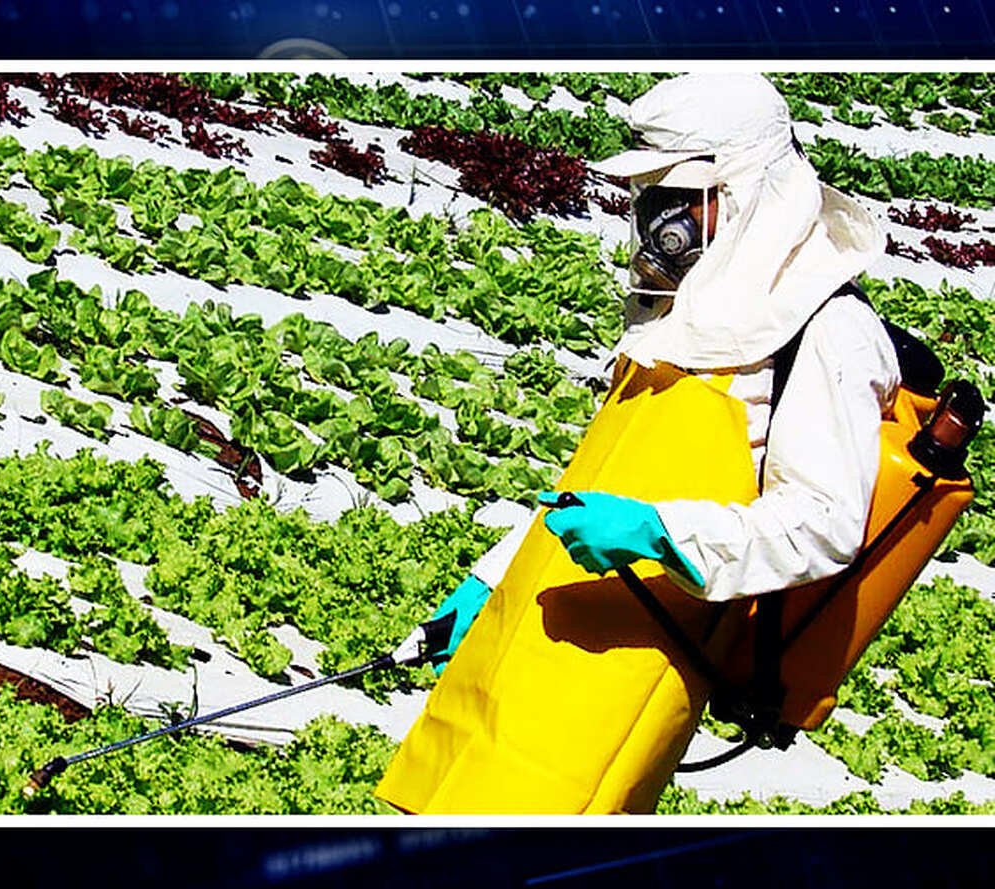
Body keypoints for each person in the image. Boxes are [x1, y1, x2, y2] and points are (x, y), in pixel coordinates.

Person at [375, 72, 901, 814]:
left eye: (678, 196)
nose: (658, 219)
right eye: (649, 195)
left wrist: (662, 534)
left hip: (629, 669)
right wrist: (493, 585)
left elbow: (822, 523)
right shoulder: (685, 311)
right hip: (528, 633)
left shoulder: (828, 331)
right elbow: (597, 476)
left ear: (744, 190)